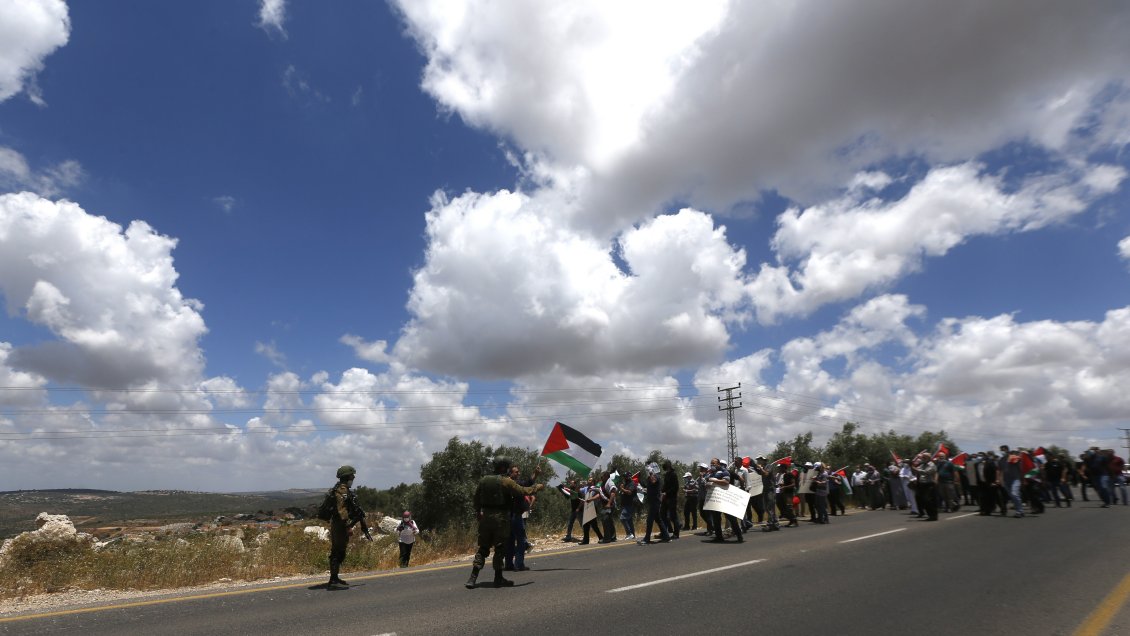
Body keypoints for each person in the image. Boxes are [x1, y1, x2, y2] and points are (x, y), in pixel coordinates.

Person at [466, 457, 544, 589]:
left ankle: (473, 578)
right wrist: (536, 487)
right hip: (501, 519)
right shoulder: (506, 481)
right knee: (500, 548)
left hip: (486, 518)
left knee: (483, 548)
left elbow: (476, 498)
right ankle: (498, 578)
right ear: (503, 468)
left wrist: (478, 512)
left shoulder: (484, 480)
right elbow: (522, 491)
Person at [328, 465, 366, 588]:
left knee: (339, 550)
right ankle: (333, 580)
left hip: (339, 524)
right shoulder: (342, 490)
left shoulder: (344, 489)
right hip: (340, 524)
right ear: (346, 476)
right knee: (338, 551)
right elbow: (341, 510)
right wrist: (348, 526)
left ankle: (335, 577)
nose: (353, 477)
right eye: (351, 475)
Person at [505, 463, 540, 571]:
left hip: (508, 516)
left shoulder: (504, 483)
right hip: (515, 516)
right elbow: (527, 484)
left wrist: (535, 474)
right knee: (521, 540)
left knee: (510, 541)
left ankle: (509, 564)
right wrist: (536, 475)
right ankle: (519, 564)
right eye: (516, 472)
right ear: (510, 473)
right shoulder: (514, 484)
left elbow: (526, 483)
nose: (518, 473)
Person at [706, 457, 743, 542]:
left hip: (725, 498)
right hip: (715, 499)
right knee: (716, 518)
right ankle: (719, 537)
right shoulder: (711, 473)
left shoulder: (724, 471)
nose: (712, 465)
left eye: (714, 463)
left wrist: (713, 480)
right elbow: (707, 482)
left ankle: (739, 535)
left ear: (718, 464)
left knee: (731, 518)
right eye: (711, 463)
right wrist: (707, 484)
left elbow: (726, 482)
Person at [638, 463, 670, 545]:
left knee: (649, 520)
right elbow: (649, 487)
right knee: (658, 520)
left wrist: (651, 472)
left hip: (655, 501)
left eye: (650, 469)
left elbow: (653, 481)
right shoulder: (651, 477)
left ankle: (647, 539)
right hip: (652, 501)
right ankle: (666, 537)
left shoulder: (656, 476)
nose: (648, 471)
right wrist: (641, 487)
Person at [912, 453, 938, 521]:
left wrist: (915, 469)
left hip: (929, 484)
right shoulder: (922, 465)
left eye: (924, 457)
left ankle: (933, 515)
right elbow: (916, 470)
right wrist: (912, 466)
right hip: (922, 484)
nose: (922, 459)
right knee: (923, 500)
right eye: (922, 457)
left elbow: (926, 472)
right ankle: (930, 515)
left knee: (928, 500)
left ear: (928, 458)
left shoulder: (931, 465)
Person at [661, 460, 681, 540]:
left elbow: (675, 487)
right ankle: (665, 532)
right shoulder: (666, 474)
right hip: (665, 498)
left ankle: (676, 533)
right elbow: (665, 485)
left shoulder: (673, 474)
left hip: (672, 498)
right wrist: (662, 491)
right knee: (662, 514)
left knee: (673, 516)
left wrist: (667, 493)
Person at [619, 473, 638, 539]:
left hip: (630, 504)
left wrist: (622, 489)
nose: (625, 478)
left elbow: (629, 492)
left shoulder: (632, 483)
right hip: (625, 504)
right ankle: (632, 535)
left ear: (629, 476)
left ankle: (629, 533)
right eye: (624, 477)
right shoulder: (626, 484)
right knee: (629, 520)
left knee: (623, 518)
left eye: (626, 476)